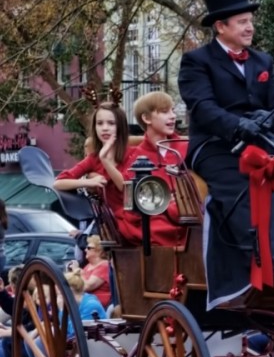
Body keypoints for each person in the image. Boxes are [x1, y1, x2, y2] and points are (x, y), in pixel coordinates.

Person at [178, 0, 274, 310]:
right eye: (242, 22)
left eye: (250, 21)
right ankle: (253, 265)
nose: (249, 28)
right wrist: (239, 125)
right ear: (220, 26)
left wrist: (270, 118)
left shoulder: (263, 61)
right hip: (216, 147)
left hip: (263, 145)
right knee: (241, 186)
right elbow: (202, 108)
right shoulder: (196, 61)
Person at [54, 98, 140, 244]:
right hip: (111, 224)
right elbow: (58, 183)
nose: (104, 128)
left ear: (120, 127)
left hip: (135, 219)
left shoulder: (133, 153)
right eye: (100, 123)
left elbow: (126, 188)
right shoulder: (92, 159)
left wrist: (105, 160)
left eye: (111, 123)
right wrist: (89, 181)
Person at [128, 91, 189, 247]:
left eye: (173, 110)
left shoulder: (187, 149)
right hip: (156, 232)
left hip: (191, 223)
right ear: (146, 118)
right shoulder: (134, 157)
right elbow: (133, 205)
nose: (173, 116)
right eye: (164, 111)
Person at [67, 235, 112, 308]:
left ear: (99, 251)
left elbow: (86, 286)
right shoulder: (88, 266)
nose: (85, 250)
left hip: (96, 306)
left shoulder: (104, 266)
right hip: (84, 303)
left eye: (89, 248)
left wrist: (78, 272)